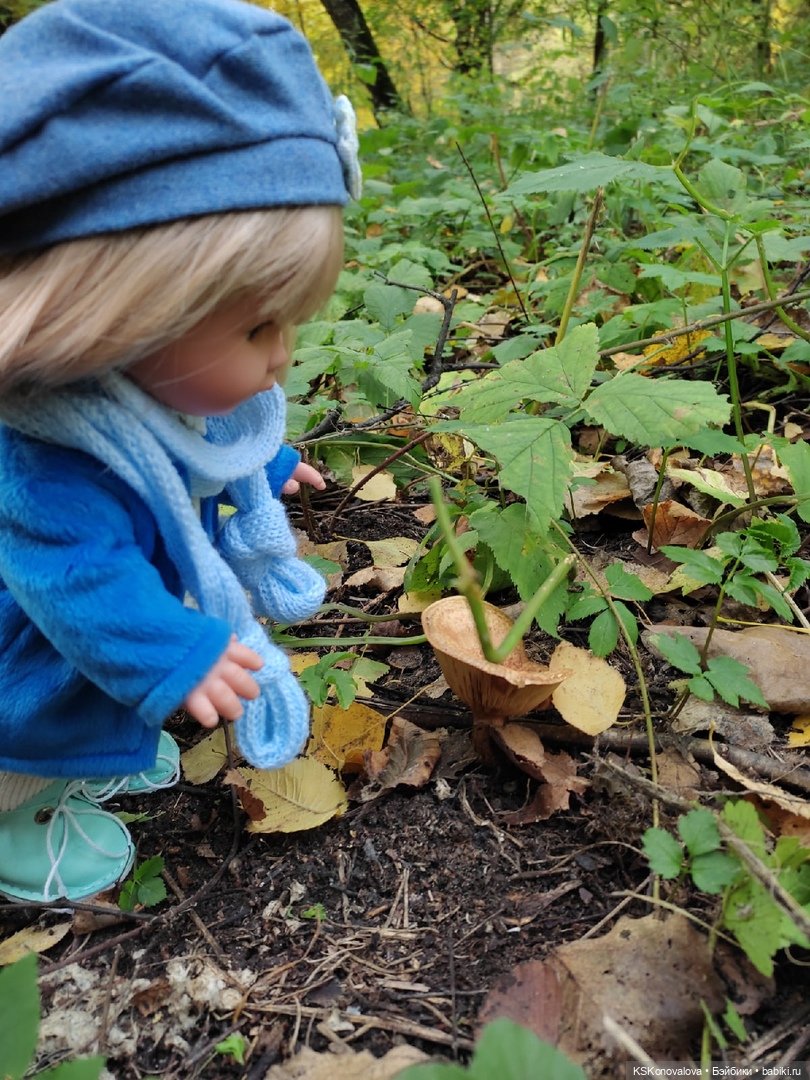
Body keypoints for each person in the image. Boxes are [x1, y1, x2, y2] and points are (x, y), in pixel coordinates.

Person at [0, 0, 360, 903]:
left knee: (112, 685)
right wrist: (175, 656)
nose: (282, 356)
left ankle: (98, 747)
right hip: (32, 670)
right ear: (114, 318)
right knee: (25, 748)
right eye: (258, 327)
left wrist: (270, 465)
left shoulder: (142, 394)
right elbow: (78, 585)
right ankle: (19, 822)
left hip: (105, 647)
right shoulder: (42, 459)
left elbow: (201, 451)